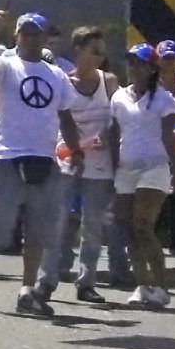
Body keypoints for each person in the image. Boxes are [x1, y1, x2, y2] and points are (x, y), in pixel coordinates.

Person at [0, 10, 83, 317]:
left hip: (44, 158)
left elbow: (66, 115)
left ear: (45, 37)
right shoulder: (6, 66)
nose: (30, 38)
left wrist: (76, 150)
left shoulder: (56, 75)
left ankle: (27, 291)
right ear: (16, 36)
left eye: (35, 33)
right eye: (24, 32)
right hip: (8, 155)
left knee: (39, 229)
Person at [49, 27, 119, 303]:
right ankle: (49, 278)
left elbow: (118, 120)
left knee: (93, 225)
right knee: (58, 221)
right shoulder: (63, 82)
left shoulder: (109, 81)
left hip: (100, 163)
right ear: (78, 50)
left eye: (103, 53)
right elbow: (55, 121)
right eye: (95, 51)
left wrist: (112, 144)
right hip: (67, 159)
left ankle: (87, 281)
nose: (100, 57)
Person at [107, 44, 175, 308]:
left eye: (141, 64)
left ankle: (161, 287)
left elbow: (169, 138)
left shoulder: (164, 100)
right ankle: (142, 285)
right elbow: (114, 134)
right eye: (131, 63)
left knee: (143, 225)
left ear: (152, 69)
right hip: (125, 169)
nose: (135, 68)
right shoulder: (118, 97)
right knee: (129, 229)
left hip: (155, 167)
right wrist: (113, 166)